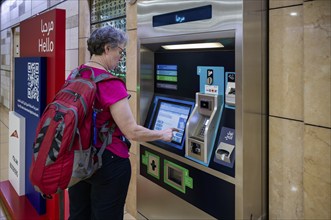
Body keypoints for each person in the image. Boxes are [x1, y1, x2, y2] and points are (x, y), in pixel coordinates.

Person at [68, 26, 177, 220]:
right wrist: (162, 134)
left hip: (78, 157)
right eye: (120, 50)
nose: (121, 56)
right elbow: (132, 132)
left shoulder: (76, 74)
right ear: (107, 48)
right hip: (107, 161)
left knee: (79, 213)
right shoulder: (110, 83)